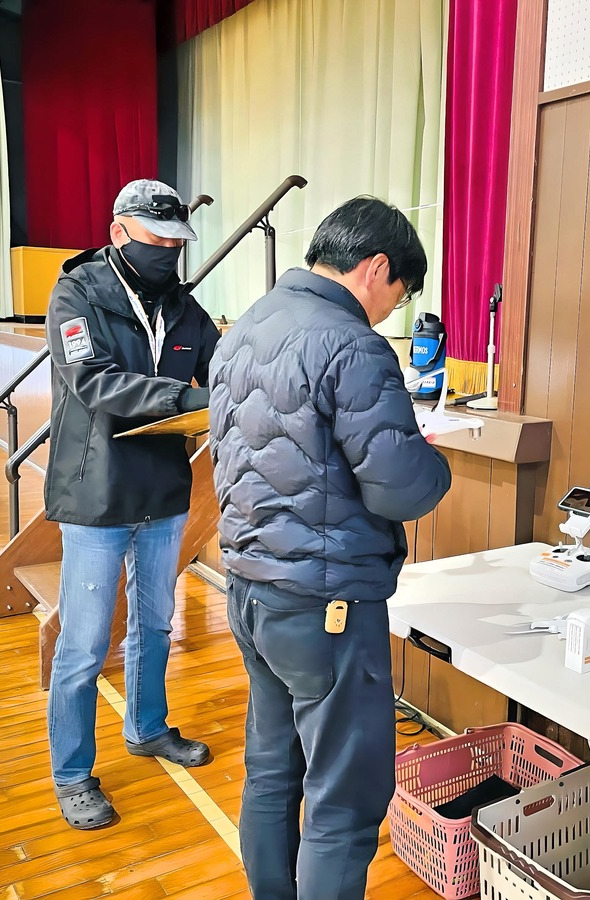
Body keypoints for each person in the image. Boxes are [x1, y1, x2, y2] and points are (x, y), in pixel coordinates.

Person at [209, 196, 454, 898]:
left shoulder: (247, 326)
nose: (388, 315)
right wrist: (433, 461)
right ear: (377, 268)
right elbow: (399, 488)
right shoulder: (352, 344)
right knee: (344, 803)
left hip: (252, 591)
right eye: (396, 297)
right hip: (326, 603)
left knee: (273, 771)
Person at [44, 179, 219, 830]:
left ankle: (148, 728)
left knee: (155, 623)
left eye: (177, 243)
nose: (169, 254)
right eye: (157, 241)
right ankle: (73, 775)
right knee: (86, 644)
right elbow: (90, 381)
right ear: (119, 232)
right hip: (98, 492)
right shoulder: (77, 294)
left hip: (163, 491)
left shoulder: (182, 305)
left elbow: (219, 365)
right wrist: (183, 400)